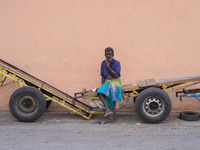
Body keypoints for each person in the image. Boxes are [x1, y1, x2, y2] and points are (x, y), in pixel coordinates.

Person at [97, 47, 122, 118]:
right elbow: (102, 75)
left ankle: (113, 112)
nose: (108, 56)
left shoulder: (117, 63)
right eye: (106, 54)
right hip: (107, 81)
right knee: (100, 91)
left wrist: (108, 67)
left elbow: (116, 75)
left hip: (115, 81)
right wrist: (102, 85)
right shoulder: (103, 63)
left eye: (110, 54)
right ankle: (108, 109)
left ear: (113, 55)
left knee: (112, 90)